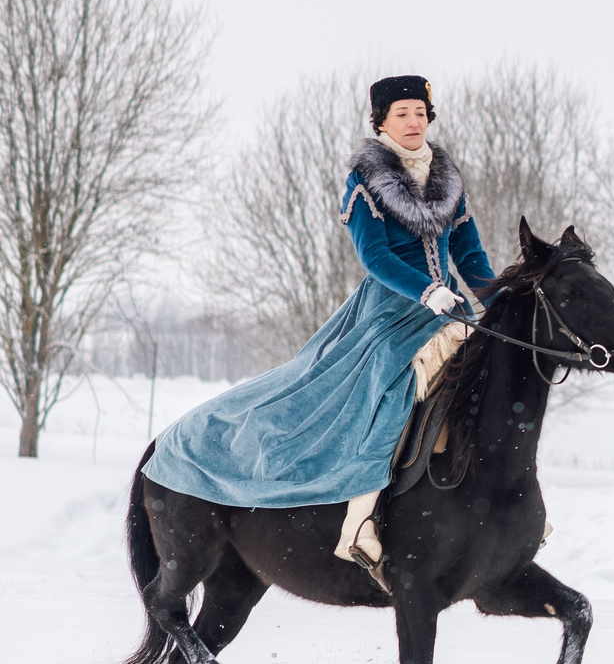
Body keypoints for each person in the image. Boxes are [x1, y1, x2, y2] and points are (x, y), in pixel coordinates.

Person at [145, 75, 498, 585]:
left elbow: (472, 256)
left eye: (420, 112)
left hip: (447, 311)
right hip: (388, 314)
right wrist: (427, 291)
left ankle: (494, 511)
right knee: (389, 394)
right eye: (402, 113)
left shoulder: (448, 180)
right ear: (381, 122)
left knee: (490, 383)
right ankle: (361, 522)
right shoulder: (365, 180)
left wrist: (501, 304)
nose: (414, 122)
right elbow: (375, 257)